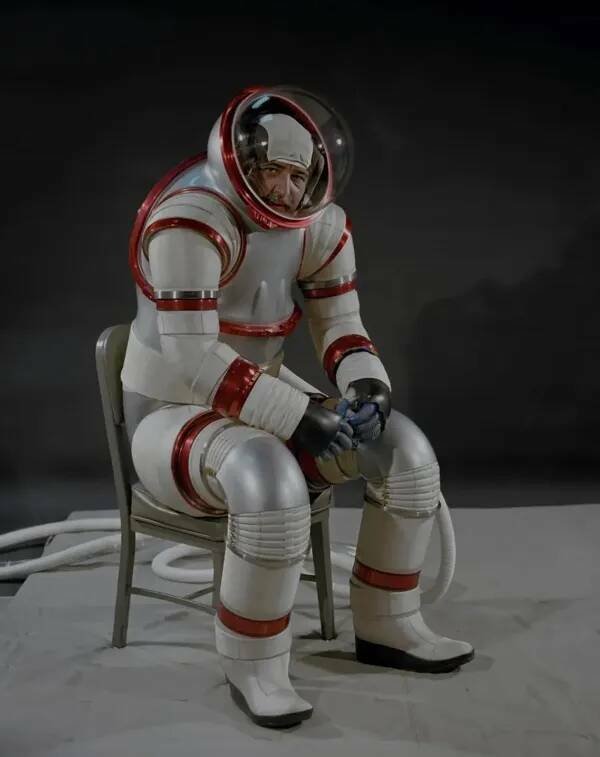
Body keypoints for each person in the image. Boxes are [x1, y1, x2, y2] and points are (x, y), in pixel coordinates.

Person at [121, 86, 474, 728]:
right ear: (241, 165)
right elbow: (192, 359)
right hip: (169, 415)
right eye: (271, 172)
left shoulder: (320, 226)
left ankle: (389, 622)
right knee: (270, 479)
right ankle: (255, 664)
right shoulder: (190, 220)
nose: (285, 191)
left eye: (296, 175)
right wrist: (297, 416)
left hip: (258, 395)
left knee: (404, 451)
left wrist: (366, 386)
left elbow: (340, 323)